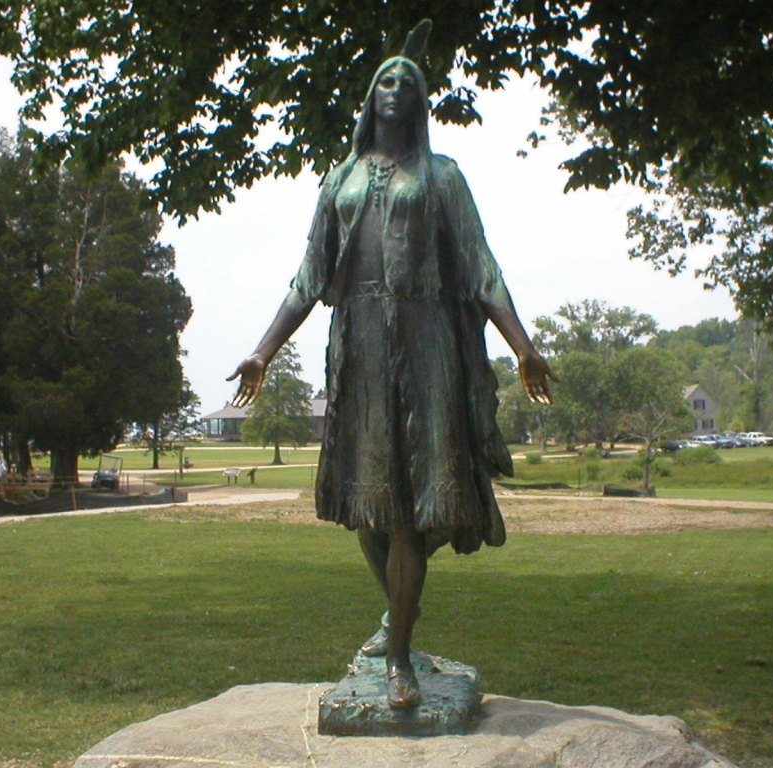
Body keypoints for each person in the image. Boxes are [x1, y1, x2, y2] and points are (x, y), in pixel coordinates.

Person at [228, 21, 555, 710]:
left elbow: (481, 269)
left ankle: (400, 655)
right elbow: (307, 279)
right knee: (369, 508)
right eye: (386, 79)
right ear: (370, 96)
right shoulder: (340, 180)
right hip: (361, 350)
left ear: (421, 101)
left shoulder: (442, 176)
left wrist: (523, 345)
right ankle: (400, 613)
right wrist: (262, 350)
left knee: (410, 512)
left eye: (408, 80)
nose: (396, 87)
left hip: (426, 341)